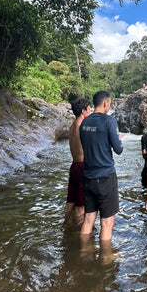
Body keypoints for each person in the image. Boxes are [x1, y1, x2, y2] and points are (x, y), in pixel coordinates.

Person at [79, 90, 123, 243]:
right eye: (109, 104)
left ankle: (83, 253)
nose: (109, 106)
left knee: (88, 219)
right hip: (105, 177)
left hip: (87, 177)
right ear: (105, 103)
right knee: (107, 223)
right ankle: (106, 260)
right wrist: (117, 138)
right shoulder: (109, 120)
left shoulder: (84, 122)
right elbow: (118, 149)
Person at [64, 97, 91, 226]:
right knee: (81, 207)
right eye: (89, 109)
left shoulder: (72, 126)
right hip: (82, 168)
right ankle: (74, 234)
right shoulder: (83, 126)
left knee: (70, 202)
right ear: (83, 111)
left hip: (74, 165)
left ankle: (65, 225)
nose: (90, 112)